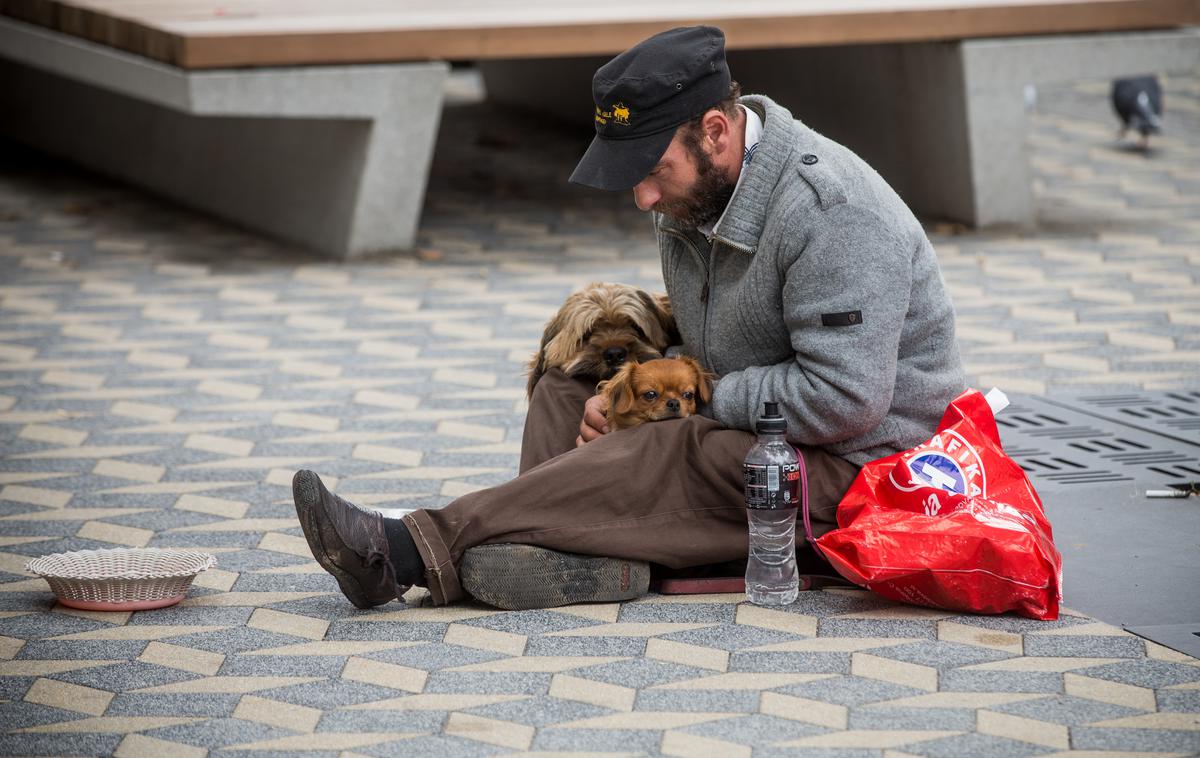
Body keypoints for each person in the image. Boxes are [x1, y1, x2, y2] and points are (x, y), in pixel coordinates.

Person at [291, 25, 965, 610]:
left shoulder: (831, 213)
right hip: (754, 432)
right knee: (567, 388)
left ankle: (406, 550)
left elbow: (844, 401)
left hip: (855, 472)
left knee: (665, 436)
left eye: (651, 169)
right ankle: (564, 552)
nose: (642, 198)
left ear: (716, 131)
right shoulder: (695, 189)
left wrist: (690, 403)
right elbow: (713, 319)